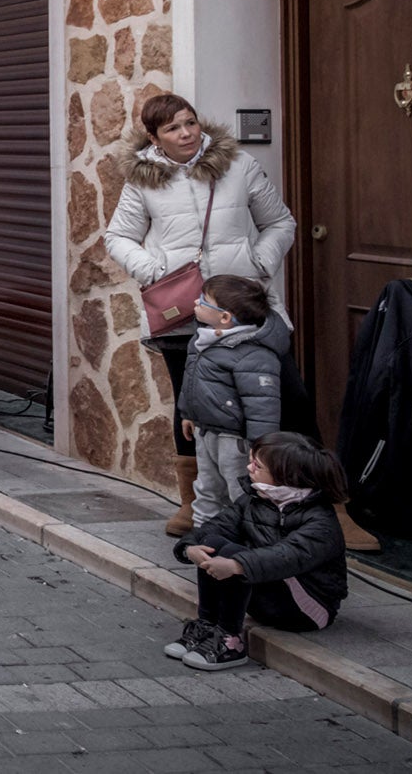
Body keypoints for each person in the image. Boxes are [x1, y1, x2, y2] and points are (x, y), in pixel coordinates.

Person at [104, 93, 299, 538]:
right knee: (191, 403)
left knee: (288, 393)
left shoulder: (239, 166)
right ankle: (194, 503)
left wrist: (258, 265)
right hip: (185, 311)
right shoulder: (144, 182)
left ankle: (321, 502)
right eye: (173, 128)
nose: (186, 133)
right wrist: (153, 270)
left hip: (247, 306)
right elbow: (118, 236)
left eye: (190, 123)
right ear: (154, 138)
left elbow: (280, 223)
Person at [171, 431, 348, 671]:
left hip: (308, 608)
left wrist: (237, 565)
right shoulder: (255, 499)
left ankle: (230, 642)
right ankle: (208, 626)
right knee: (213, 541)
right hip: (268, 590)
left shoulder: (320, 521)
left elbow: (287, 556)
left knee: (233, 553)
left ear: (285, 475)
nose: (249, 467)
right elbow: (218, 525)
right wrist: (189, 547)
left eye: (258, 464)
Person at [179, 275, 291, 526]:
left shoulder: (254, 355)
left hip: (235, 440)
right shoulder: (202, 341)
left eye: (203, 301)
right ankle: (204, 537)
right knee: (207, 487)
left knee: (239, 489)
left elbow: (263, 405)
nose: (196, 303)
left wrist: (260, 446)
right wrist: (187, 413)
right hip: (206, 431)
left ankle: (246, 540)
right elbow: (191, 381)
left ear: (225, 317)